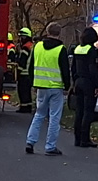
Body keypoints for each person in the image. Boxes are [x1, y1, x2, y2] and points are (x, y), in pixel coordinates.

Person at [25, 22, 72, 155]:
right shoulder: (61, 49)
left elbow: (31, 66)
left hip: (40, 86)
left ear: (47, 31)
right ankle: (50, 147)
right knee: (54, 117)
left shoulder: (38, 46)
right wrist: (67, 86)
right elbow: (65, 71)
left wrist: (33, 83)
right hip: (56, 88)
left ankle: (30, 141)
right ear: (59, 33)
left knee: (39, 115)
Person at [71, 27, 98, 147]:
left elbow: (73, 68)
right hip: (88, 83)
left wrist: (74, 82)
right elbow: (93, 70)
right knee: (88, 112)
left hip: (78, 81)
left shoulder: (77, 49)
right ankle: (85, 139)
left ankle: (77, 139)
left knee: (79, 111)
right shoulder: (92, 51)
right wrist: (97, 84)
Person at [16, 27, 35, 113]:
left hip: (24, 73)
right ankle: (28, 107)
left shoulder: (25, 47)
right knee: (27, 92)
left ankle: (24, 108)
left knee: (22, 91)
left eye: (22, 37)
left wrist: (18, 72)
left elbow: (22, 61)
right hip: (29, 73)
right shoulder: (31, 46)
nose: (21, 39)